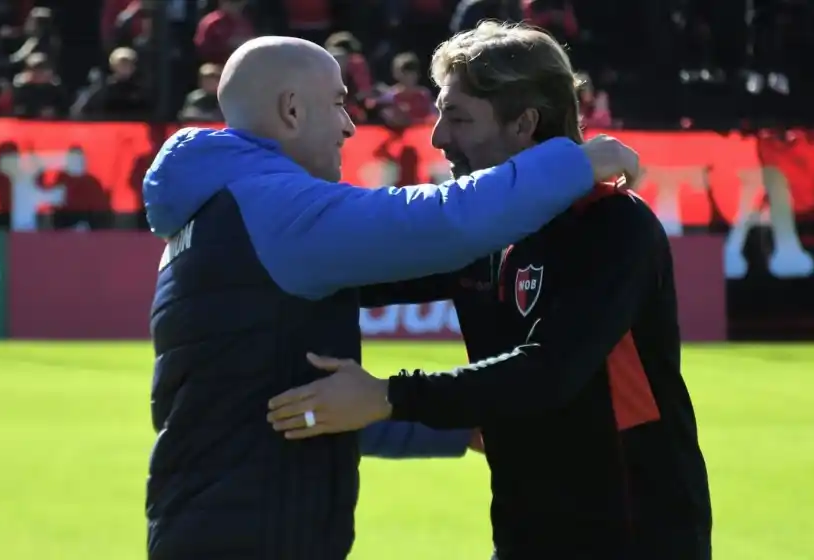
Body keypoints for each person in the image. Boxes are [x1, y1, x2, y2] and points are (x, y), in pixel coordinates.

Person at [144, 35, 640, 560]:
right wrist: (574, 164)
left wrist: (446, 429)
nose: (349, 125)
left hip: (217, 523)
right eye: (337, 102)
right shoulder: (274, 209)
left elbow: (303, 409)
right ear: (291, 110)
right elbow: (444, 221)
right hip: (254, 535)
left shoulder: (214, 214)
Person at [267, 23, 712, 560]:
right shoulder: (480, 231)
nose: (437, 138)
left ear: (525, 124)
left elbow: (549, 373)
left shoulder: (612, 223)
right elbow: (357, 270)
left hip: (632, 531)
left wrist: (387, 396)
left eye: (457, 117)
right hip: (525, 528)